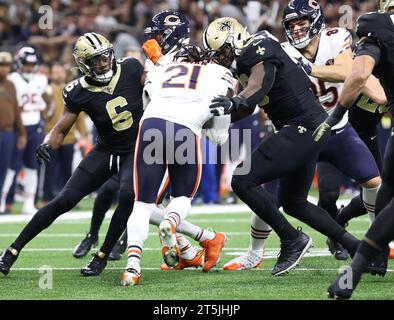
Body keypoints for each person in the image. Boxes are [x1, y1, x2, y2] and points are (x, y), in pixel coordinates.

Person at [224, 0, 385, 269]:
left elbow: (350, 71)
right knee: (274, 195)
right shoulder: (280, 49)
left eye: (302, 23)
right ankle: (254, 253)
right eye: (291, 25)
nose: (297, 30)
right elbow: (261, 88)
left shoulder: (335, 37)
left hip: (336, 128)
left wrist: (308, 67)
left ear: (317, 22)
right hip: (297, 131)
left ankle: (376, 240)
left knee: (372, 181)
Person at [204, 17, 360, 277]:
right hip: (311, 128)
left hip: (301, 127)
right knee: (294, 202)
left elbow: (259, 83)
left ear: (236, 40)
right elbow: (250, 104)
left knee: (243, 179)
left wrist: (235, 100)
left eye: (223, 51)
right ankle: (358, 247)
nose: (221, 58)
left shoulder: (259, 46)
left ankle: (292, 240)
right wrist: (215, 117)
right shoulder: (246, 61)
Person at [0, 32, 144, 277]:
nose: (103, 63)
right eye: (95, 60)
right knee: (64, 200)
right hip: (106, 150)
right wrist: (48, 143)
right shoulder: (79, 90)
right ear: (83, 65)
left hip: (135, 149)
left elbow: (156, 87)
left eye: (105, 56)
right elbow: (62, 127)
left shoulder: (130, 68)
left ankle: (101, 256)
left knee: (128, 194)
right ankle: (12, 250)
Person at [121, 44, 235, 286]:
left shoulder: (165, 66)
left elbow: (146, 98)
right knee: (182, 195)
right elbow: (219, 137)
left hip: (151, 124)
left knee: (142, 204)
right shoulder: (219, 74)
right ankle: (170, 223)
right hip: (184, 128)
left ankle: (132, 267)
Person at [312, 0, 394, 299]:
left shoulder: (376, 31)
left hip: (364, 131)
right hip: (348, 130)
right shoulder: (373, 38)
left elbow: (370, 85)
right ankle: (357, 249)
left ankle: (364, 255)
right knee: (374, 194)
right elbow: (360, 78)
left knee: (381, 191)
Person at [0, 46, 52, 215]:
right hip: (17, 127)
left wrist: (44, 117)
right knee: (11, 166)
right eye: (26, 64)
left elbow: (49, 100)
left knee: (32, 166)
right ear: (19, 62)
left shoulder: (41, 79)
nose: (29, 67)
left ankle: (29, 202)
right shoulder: (12, 79)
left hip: (35, 126)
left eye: (32, 64)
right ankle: (3, 200)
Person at [0, 51, 26, 208]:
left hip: (9, 132)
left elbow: (16, 111)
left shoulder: (11, 85)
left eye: (7, 65)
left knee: (4, 167)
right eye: (1, 65)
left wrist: (22, 133)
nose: (4, 68)